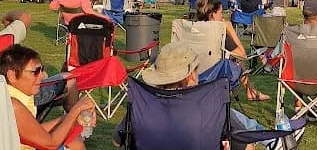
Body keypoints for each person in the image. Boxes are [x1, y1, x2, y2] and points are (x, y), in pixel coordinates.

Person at [111, 42, 269, 149]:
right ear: (192, 76)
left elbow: (117, 141)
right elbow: (247, 147)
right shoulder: (212, 107)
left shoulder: (143, 106)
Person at [0, 44, 97, 150]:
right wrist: (76, 110)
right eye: (35, 72)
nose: (42, 75)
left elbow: (35, 131)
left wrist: (69, 119)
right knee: (74, 143)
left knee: (74, 139)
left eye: (41, 69)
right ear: (12, 75)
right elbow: (50, 144)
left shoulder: (14, 94)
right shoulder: (12, 104)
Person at [195, 0, 270, 101]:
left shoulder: (192, 29)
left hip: (192, 77)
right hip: (212, 77)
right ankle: (251, 91)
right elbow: (242, 55)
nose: (222, 17)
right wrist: (230, 30)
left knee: (234, 58)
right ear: (212, 14)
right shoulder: (218, 35)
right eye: (221, 13)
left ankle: (251, 91)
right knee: (237, 59)